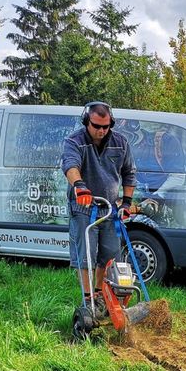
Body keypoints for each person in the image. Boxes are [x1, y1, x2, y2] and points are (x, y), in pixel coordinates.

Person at [61, 101, 138, 312]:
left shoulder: (120, 143)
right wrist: (79, 186)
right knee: (86, 255)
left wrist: (127, 202)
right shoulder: (74, 141)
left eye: (106, 127)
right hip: (83, 207)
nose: (102, 131)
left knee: (110, 254)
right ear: (87, 122)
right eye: (96, 126)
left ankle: (101, 294)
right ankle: (88, 299)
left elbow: (129, 173)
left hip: (110, 208)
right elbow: (70, 164)